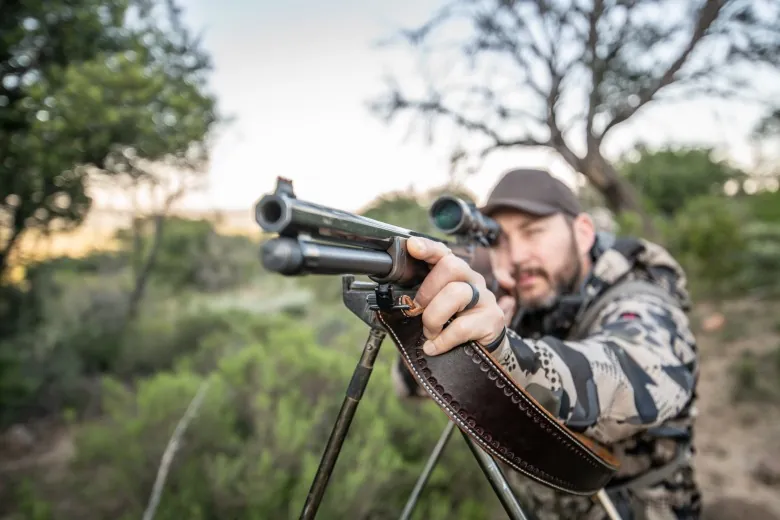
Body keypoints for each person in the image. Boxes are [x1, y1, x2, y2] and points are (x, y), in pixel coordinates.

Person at [391, 168, 702, 520]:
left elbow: (634, 380)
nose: (517, 256)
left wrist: (502, 349)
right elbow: (407, 386)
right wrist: (441, 329)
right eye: (498, 240)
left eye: (533, 232)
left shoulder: (641, 299)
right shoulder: (515, 299)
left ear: (582, 233)